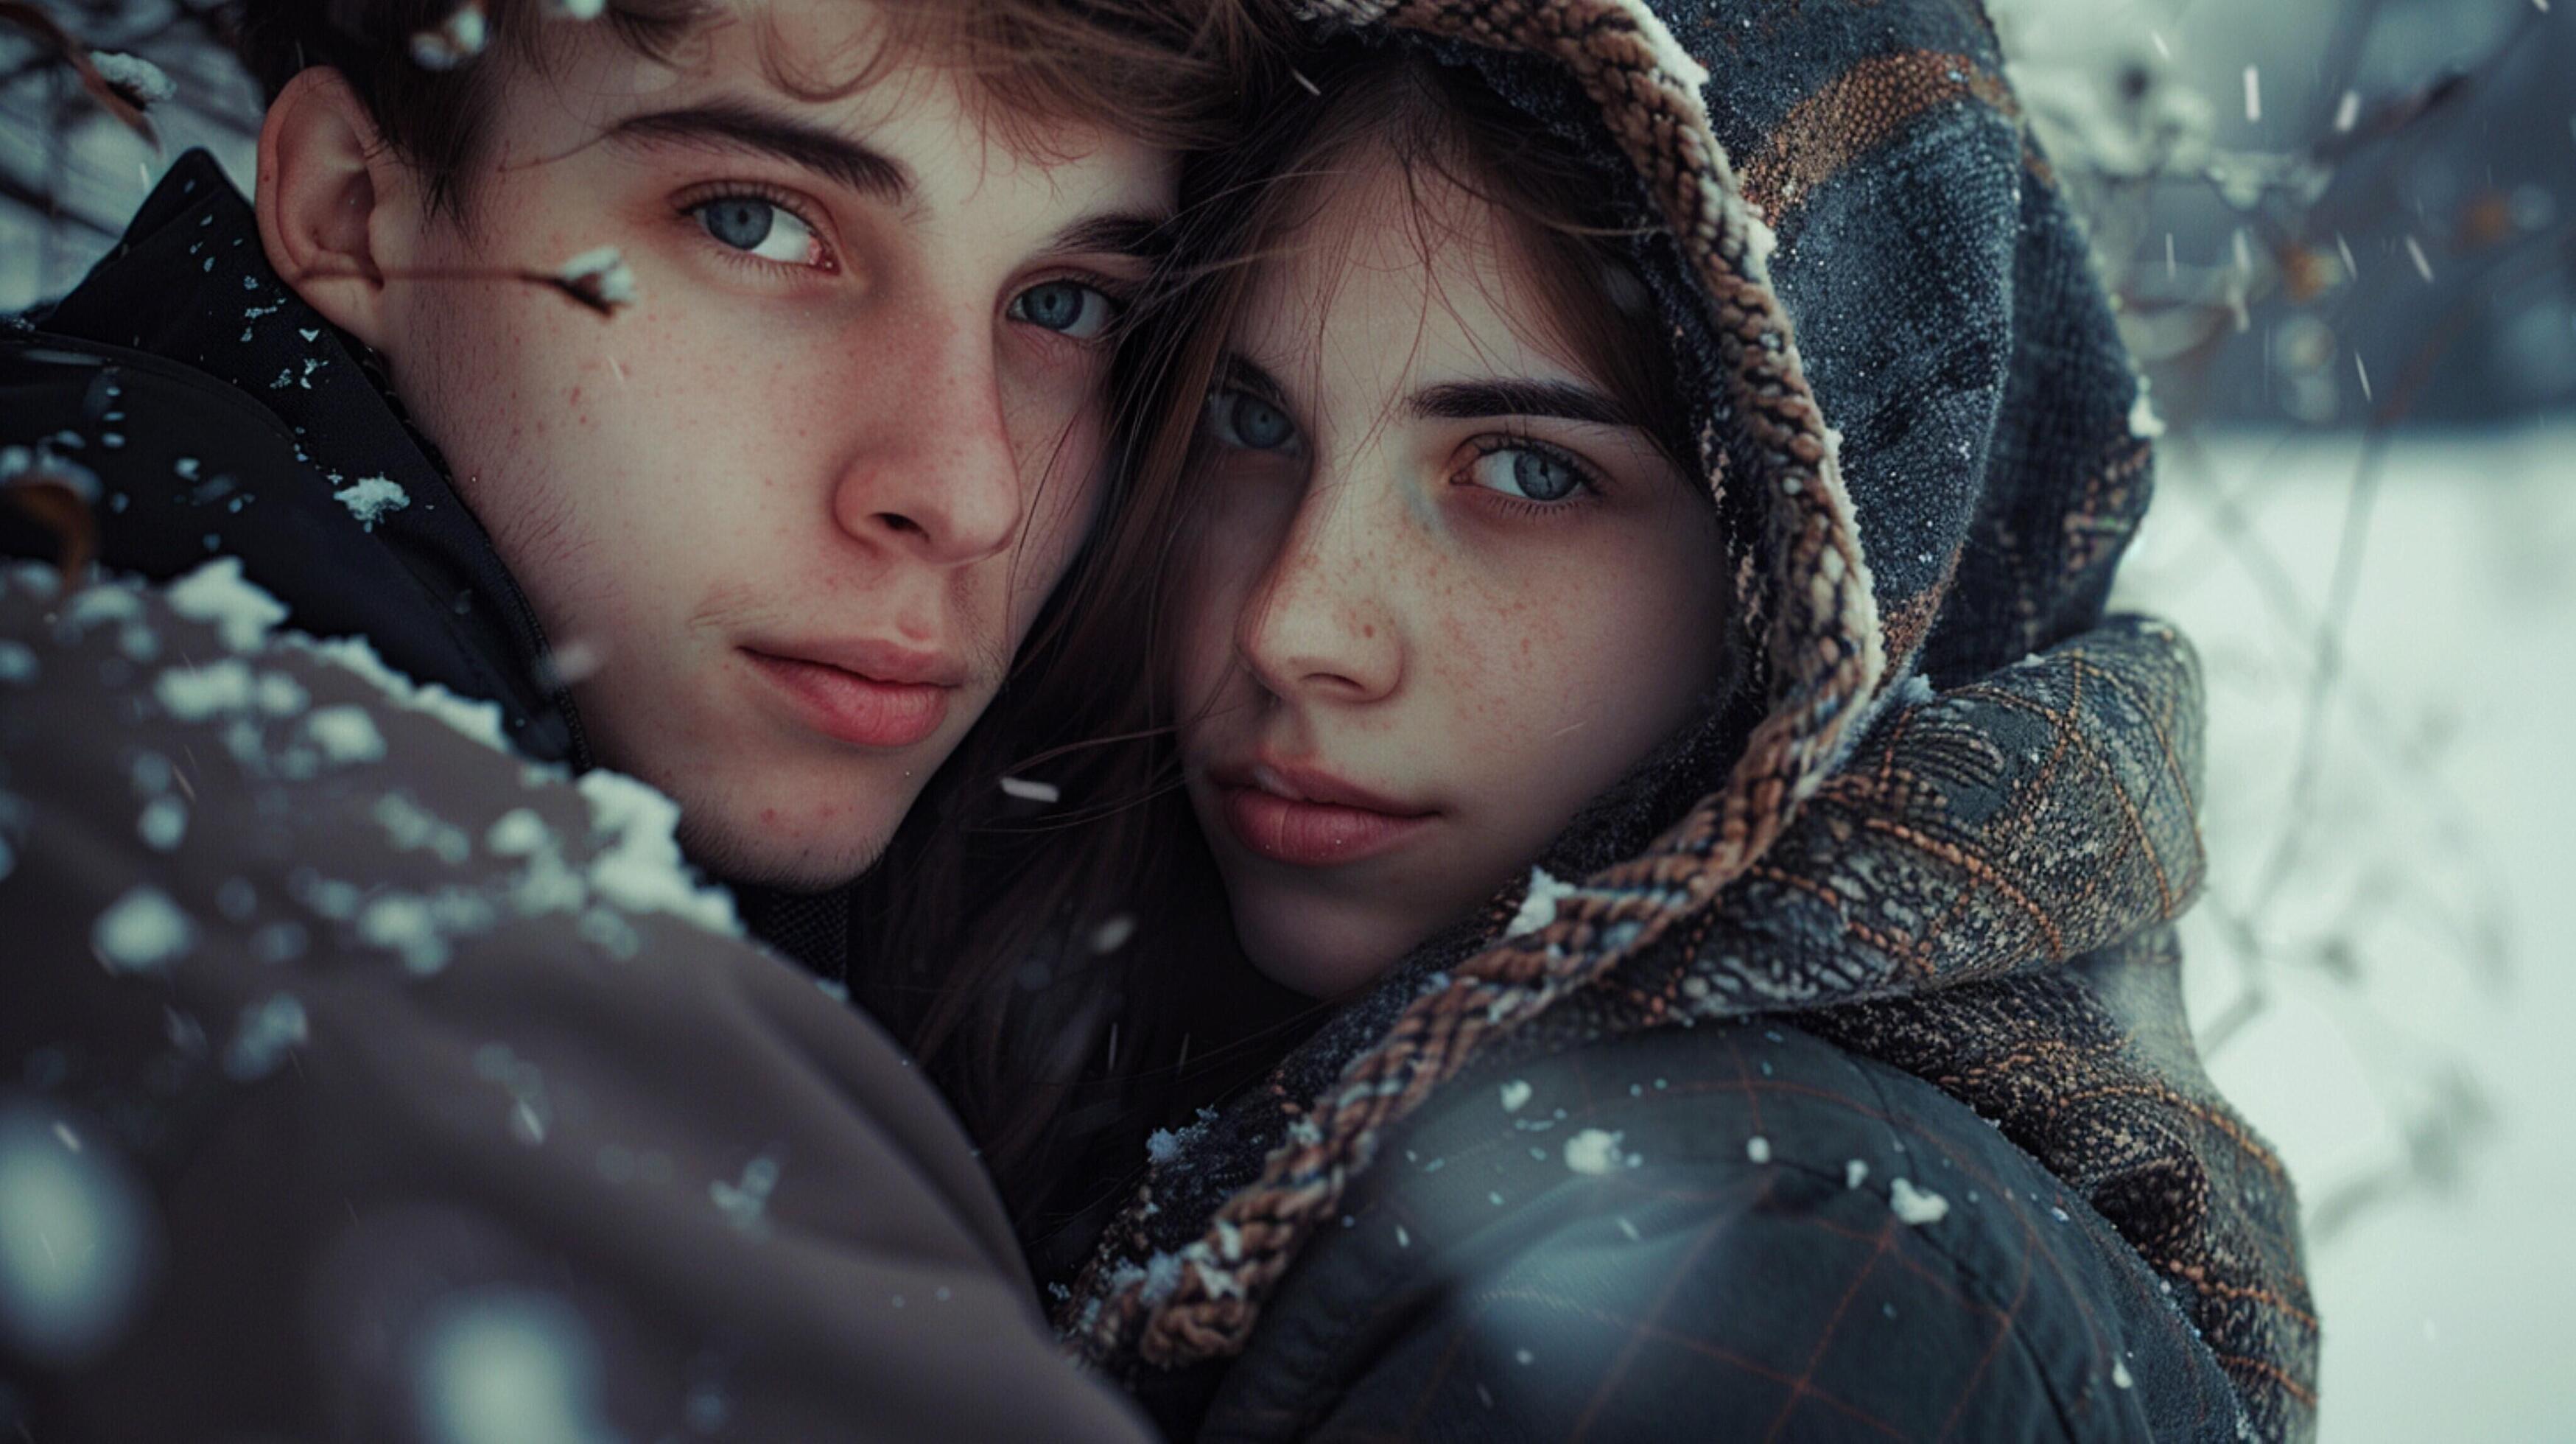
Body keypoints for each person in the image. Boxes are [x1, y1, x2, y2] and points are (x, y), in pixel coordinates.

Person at [864, 9, 2320, 1441]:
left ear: (1815, 585)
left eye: (1529, 471)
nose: (1293, 624)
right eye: (1252, 425)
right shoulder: (1172, 1054)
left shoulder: (1781, 1267)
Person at [0, 0, 1274, 1434]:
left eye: (1064, 303)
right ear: (358, 208)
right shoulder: (200, 843)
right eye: (755, 221)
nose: (968, 493)